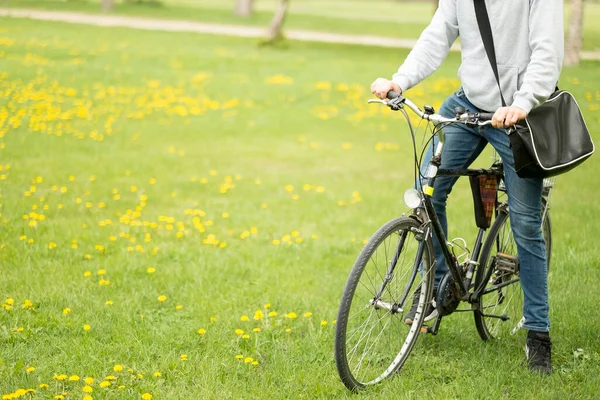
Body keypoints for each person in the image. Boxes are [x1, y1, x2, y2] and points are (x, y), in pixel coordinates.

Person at [370, 0, 563, 375]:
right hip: (469, 105)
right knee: (426, 195)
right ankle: (440, 287)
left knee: (525, 225)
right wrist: (401, 80)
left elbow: (547, 52)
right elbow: (438, 35)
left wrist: (523, 102)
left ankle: (538, 335)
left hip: (518, 116)